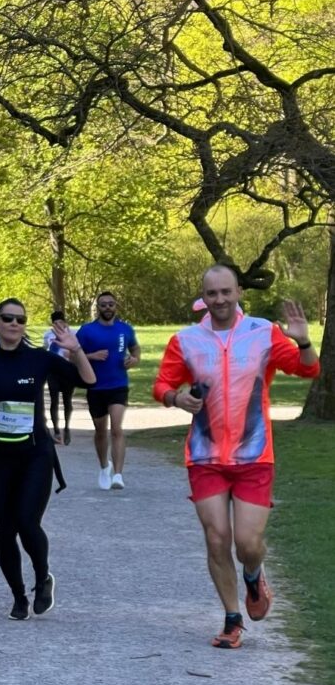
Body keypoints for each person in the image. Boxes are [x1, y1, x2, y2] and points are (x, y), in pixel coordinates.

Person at [153, 265, 320, 649]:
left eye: (226, 292)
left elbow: (308, 370)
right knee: (216, 539)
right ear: (203, 297)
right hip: (205, 455)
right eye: (212, 294)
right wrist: (176, 398)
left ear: (239, 292)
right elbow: (163, 383)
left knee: (247, 543)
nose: (220, 300)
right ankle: (232, 618)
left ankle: (253, 575)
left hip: (253, 455)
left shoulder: (263, 333)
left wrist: (304, 342)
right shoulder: (187, 340)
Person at [0, 298, 95, 620]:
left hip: (36, 454)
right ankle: (17, 595)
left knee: (27, 522)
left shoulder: (39, 359)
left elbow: (88, 380)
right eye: (8, 318)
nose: (14, 324)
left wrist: (77, 350)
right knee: (3, 529)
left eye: (20, 319)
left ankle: (43, 578)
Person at [76, 291, 141, 490]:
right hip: (96, 386)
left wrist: (134, 359)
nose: (107, 308)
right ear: (98, 307)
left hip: (118, 385)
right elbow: (72, 356)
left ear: (116, 306)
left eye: (111, 304)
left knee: (117, 428)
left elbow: (135, 349)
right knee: (101, 431)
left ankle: (118, 475)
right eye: (103, 305)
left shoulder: (125, 329)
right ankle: (105, 467)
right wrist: (91, 356)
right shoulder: (87, 331)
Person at [43, 311, 75, 445]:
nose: (58, 325)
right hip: (53, 371)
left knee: (67, 400)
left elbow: (79, 349)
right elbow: (46, 349)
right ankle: (56, 430)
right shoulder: (48, 335)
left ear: (65, 323)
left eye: (60, 323)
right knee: (54, 400)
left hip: (67, 369)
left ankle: (67, 427)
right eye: (55, 323)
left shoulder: (73, 333)